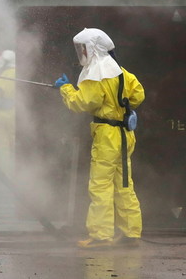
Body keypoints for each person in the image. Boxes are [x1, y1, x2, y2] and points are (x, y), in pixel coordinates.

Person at [55, 27, 145, 248]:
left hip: (107, 135)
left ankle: (101, 236)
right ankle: (131, 233)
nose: (82, 53)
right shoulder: (121, 71)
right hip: (125, 134)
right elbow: (138, 95)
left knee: (101, 186)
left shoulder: (96, 74)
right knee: (124, 184)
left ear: (93, 48)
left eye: (83, 48)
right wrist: (120, 105)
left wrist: (65, 89)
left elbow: (81, 103)